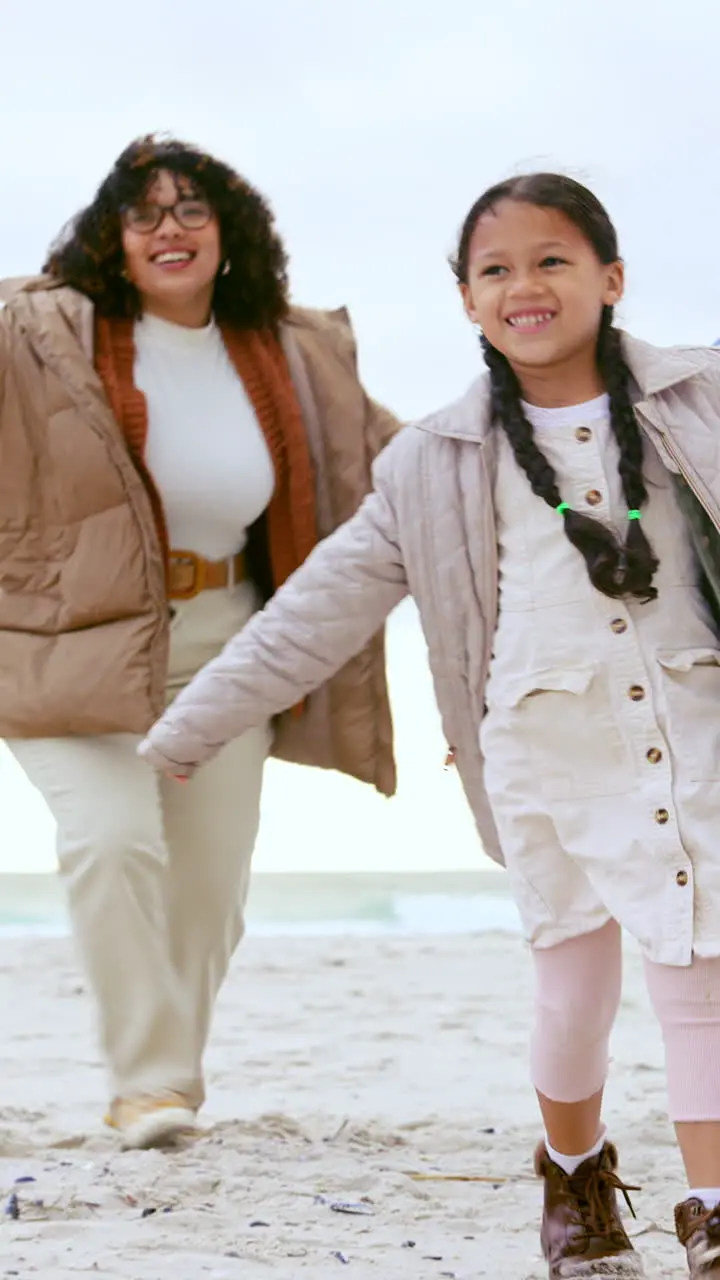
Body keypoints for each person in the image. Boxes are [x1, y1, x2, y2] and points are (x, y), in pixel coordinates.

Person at [140, 172, 720, 1277]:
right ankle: (576, 1169)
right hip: (545, 754)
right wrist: (187, 730)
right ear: (465, 300)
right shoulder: (435, 461)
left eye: (552, 259)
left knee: (701, 970)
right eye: (495, 269)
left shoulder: (700, 395)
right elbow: (315, 608)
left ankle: (712, 1205)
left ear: (612, 277)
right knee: (575, 989)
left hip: (694, 726)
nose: (525, 285)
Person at [0, 134, 400, 1150]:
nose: (167, 228)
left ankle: (167, 1077)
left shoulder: (293, 350)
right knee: (110, 837)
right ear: (111, 241)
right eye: (143, 213)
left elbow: (403, 460)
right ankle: (147, 1081)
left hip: (230, 637)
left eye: (191, 209)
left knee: (209, 887)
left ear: (229, 234)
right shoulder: (39, 333)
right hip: (68, 640)